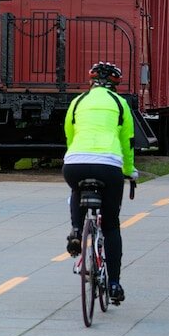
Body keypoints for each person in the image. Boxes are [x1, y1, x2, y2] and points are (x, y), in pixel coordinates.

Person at [63, 62, 136, 305]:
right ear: (116, 85)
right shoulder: (120, 104)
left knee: (76, 188)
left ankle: (75, 230)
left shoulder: (78, 102)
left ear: (90, 83)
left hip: (75, 163)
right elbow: (128, 142)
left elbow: (69, 134)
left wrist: (78, 157)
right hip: (109, 165)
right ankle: (114, 283)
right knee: (112, 226)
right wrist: (129, 171)